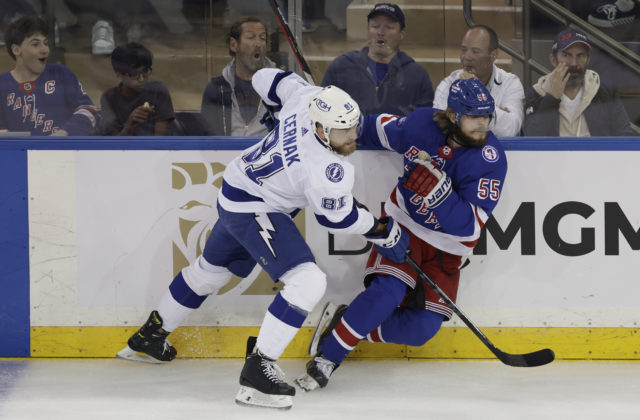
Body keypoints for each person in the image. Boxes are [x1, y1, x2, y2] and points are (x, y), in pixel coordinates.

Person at [117, 68, 421, 410]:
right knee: (307, 281)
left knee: (210, 272)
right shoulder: (324, 167)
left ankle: (149, 338)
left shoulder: (306, 98)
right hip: (254, 206)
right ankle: (258, 371)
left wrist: (279, 102)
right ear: (321, 129)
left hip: (235, 190)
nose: (353, 135)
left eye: (353, 125)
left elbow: (264, 77)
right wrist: (381, 231)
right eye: (343, 130)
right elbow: (337, 217)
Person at [295, 78, 508, 392]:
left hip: (447, 247)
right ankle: (328, 358)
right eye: (474, 117)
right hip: (403, 226)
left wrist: (441, 196)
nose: (482, 125)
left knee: (421, 330)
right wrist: (327, 134)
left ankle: (347, 320)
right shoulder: (422, 125)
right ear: (452, 115)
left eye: (486, 117)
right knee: (387, 294)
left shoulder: (491, 160)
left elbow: (469, 226)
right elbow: (371, 129)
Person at [321, 3, 434, 116]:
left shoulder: (417, 75)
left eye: (389, 27)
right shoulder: (341, 67)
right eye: (375, 26)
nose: (380, 33)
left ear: (402, 34)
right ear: (368, 31)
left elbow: (423, 123)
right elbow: (322, 111)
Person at [522, 28, 635, 137]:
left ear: (588, 59)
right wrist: (551, 98)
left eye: (580, 55)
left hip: (597, 156)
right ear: (553, 60)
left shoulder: (605, 92)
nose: (574, 63)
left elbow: (625, 137)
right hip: (555, 157)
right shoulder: (534, 95)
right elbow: (531, 139)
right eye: (566, 55)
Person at [0, 16, 98, 136]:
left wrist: (63, 134)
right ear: (16, 50)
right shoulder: (2, 84)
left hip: (62, 152)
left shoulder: (61, 73)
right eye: (35, 44)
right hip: (19, 154)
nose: (45, 50)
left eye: (45, 43)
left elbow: (89, 111)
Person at [433, 24, 524, 137]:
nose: (467, 57)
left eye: (475, 51)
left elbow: (510, 130)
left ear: (493, 55)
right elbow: (441, 127)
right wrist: (493, 112)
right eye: (463, 50)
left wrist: (476, 93)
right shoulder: (449, 83)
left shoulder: (511, 83)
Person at [200, 17, 276, 137]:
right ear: (234, 45)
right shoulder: (216, 89)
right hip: (226, 155)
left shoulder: (280, 87)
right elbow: (207, 140)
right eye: (250, 37)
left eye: (263, 38)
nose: (258, 44)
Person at [97, 42, 175, 136]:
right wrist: (130, 125)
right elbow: (115, 144)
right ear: (118, 73)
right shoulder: (109, 98)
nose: (142, 79)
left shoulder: (158, 92)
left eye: (145, 71)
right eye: (134, 73)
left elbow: (159, 141)